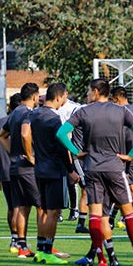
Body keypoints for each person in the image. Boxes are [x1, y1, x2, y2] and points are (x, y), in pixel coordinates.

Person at [56, 78, 133, 266]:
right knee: (128, 212)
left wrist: (75, 152)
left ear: (95, 91)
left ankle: (101, 261)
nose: (88, 94)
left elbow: (61, 133)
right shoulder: (121, 111)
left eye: (89, 91)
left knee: (96, 214)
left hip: (92, 168)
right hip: (115, 167)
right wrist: (131, 155)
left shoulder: (83, 111)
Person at [28, 83, 78, 264]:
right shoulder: (54, 118)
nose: (65, 100)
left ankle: (41, 249)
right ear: (59, 97)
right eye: (65, 97)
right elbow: (61, 147)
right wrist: (71, 170)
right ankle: (48, 251)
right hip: (54, 170)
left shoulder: (34, 115)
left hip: (39, 168)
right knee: (53, 212)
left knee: (43, 211)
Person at [0, 83, 41, 258]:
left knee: (22, 207)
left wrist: (13, 152)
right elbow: (25, 134)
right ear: (35, 96)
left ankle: (21, 246)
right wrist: (30, 156)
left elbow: (2, 135)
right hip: (27, 168)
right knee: (41, 207)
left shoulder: (14, 113)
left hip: (14, 166)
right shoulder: (28, 113)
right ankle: (44, 246)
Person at [108, 86, 133, 233]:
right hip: (132, 155)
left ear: (117, 98)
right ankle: (112, 219)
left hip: (127, 156)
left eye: (112, 99)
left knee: (131, 187)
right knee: (120, 187)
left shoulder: (122, 111)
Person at [0, 93, 22, 252]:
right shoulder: (25, 120)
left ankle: (14, 239)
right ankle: (20, 241)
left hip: (5, 172)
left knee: (11, 207)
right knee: (20, 207)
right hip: (23, 170)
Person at [56, 93, 83, 222]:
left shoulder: (74, 108)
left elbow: (70, 132)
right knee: (58, 180)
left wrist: (71, 150)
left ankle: (74, 209)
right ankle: (58, 211)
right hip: (56, 149)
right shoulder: (53, 108)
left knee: (72, 179)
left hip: (70, 149)